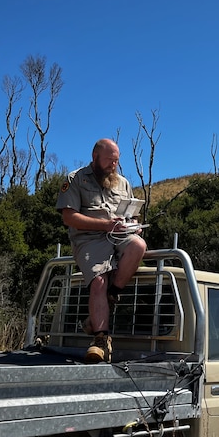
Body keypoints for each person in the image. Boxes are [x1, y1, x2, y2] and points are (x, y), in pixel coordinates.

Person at [56, 138, 147, 363]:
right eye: (109, 161)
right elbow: (69, 217)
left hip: (119, 235)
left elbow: (132, 213)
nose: (113, 166)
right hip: (89, 238)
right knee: (98, 280)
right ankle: (100, 340)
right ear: (95, 157)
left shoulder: (123, 183)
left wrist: (133, 225)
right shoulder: (75, 179)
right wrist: (105, 224)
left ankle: (110, 296)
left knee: (139, 246)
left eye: (116, 161)